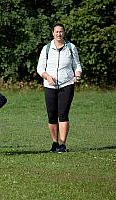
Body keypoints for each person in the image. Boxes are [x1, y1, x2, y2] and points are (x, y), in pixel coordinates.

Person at [37, 23, 82, 153]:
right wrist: (47, 77)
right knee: (52, 115)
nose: (59, 34)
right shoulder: (46, 48)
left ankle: (62, 144)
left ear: (64, 33)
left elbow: (77, 65)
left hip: (67, 84)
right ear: (53, 33)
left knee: (63, 114)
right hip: (49, 85)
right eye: (56, 32)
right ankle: (55, 142)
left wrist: (77, 74)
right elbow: (40, 68)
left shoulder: (71, 47)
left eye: (61, 31)